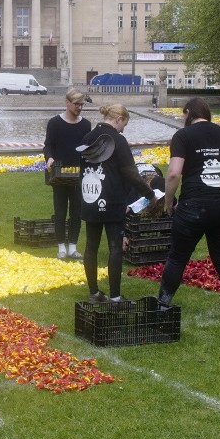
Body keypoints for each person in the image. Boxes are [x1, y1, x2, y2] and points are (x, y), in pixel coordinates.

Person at [156, 97, 220, 326]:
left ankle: (162, 306)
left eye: (183, 115)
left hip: (194, 205)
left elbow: (173, 173)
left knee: (178, 257)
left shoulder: (182, 136)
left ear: (188, 113)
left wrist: (168, 203)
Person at [79, 104, 155, 303]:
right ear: (119, 118)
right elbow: (131, 173)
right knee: (114, 246)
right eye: (124, 124)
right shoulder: (118, 140)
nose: (123, 129)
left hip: (90, 197)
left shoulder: (88, 137)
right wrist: (150, 194)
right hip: (112, 198)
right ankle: (114, 296)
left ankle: (94, 293)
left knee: (91, 246)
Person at [43, 88, 92, 259]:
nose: (79, 107)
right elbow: (48, 145)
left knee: (77, 211)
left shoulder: (86, 125)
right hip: (59, 174)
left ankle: (72, 246)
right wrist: (49, 158)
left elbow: (88, 150)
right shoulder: (54, 123)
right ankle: (61, 247)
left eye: (81, 104)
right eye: (77, 104)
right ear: (67, 103)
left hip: (79, 174)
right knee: (60, 211)